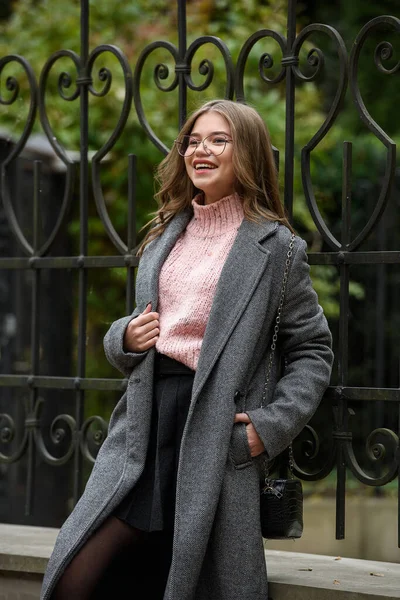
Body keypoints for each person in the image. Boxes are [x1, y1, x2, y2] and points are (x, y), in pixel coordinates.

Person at [41, 99, 334, 600]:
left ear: (248, 153)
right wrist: (125, 337)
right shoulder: (163, 237)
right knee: (76, 575)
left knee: (176, 580)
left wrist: (270, 428)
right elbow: (149, 328)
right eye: (193, 141)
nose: (201, 150)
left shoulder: (278, 249)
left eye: (219, 140)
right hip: (145, 424)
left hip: (212, 433)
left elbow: (313, 350)